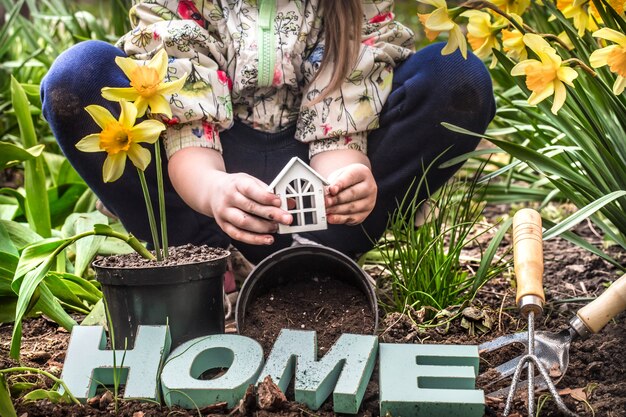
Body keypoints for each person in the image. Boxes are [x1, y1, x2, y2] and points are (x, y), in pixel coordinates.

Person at [41, 0, 495, 268]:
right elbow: (183, 109)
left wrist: (348, 181)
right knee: (77, 78)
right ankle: (200, 263)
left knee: (456, 77)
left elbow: (345, 106)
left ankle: (319, 261)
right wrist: (214, 189)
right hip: (205, 182)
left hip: (314, 192)